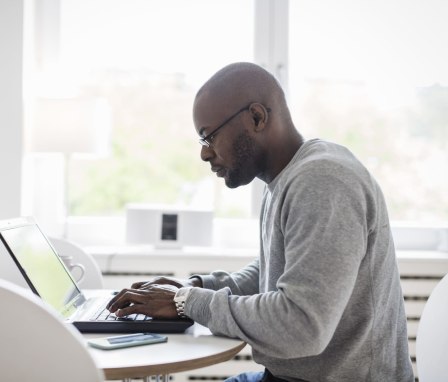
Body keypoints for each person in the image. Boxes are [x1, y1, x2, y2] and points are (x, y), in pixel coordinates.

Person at [107, 62, 414, 381]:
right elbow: (277, 271)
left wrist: (187, 303)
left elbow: (302, 326)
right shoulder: (289, 178)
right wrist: (195, 287)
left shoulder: (323, 181)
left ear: (256, 117)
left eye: (208, 137)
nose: (204, 155)